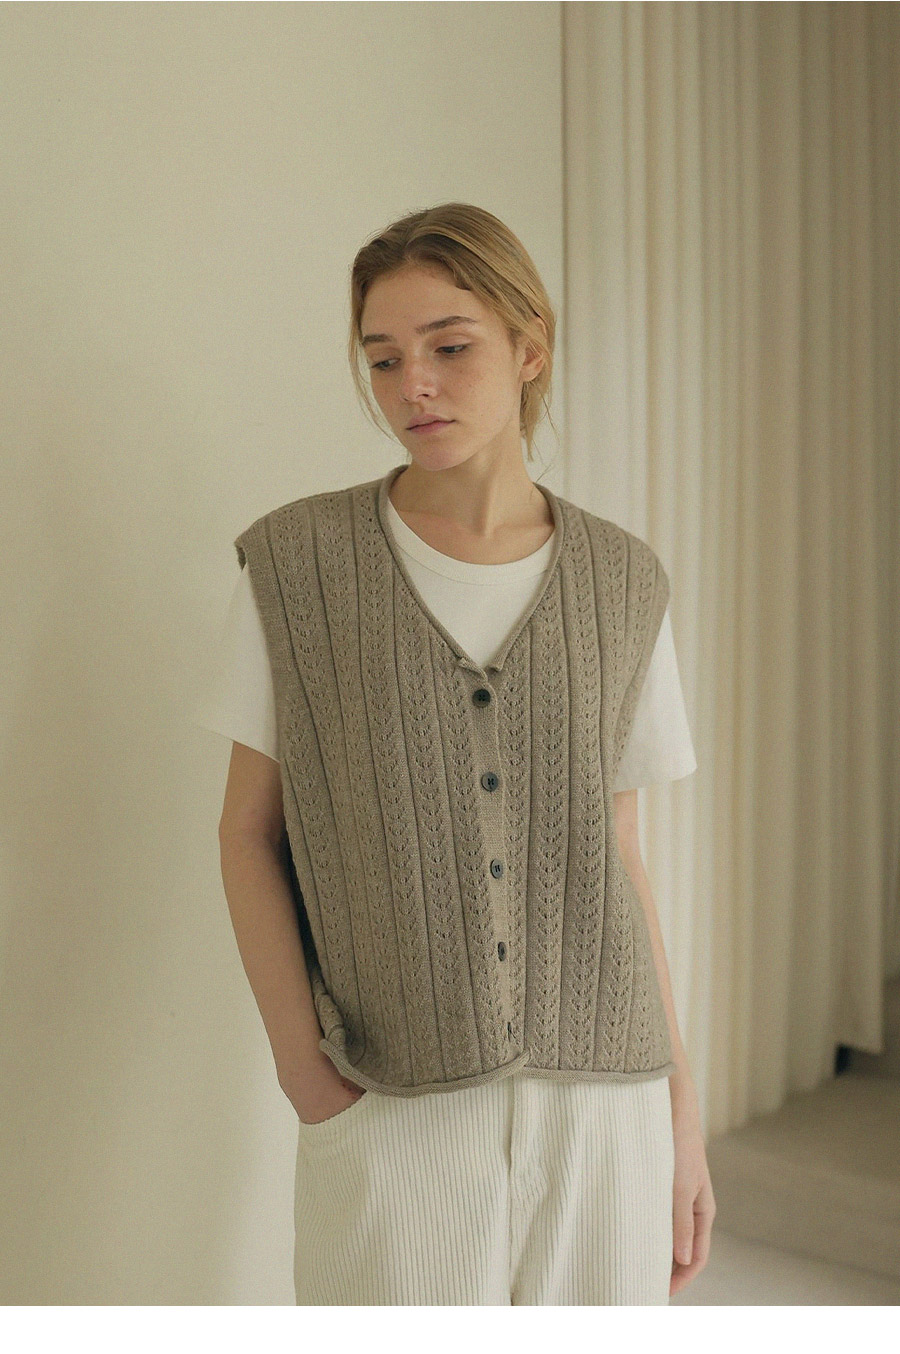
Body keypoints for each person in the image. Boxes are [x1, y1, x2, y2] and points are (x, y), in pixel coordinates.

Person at [197, 202, 715, 1305]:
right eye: (384, 358)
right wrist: (303, 1069)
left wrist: (680, 1111)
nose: (413, 387)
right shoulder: (297, 566)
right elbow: (248, 833)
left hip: (607, 1106)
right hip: (393, 1100)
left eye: (449, 347)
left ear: (530, 348)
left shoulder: (624, 581)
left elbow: (620, 854)